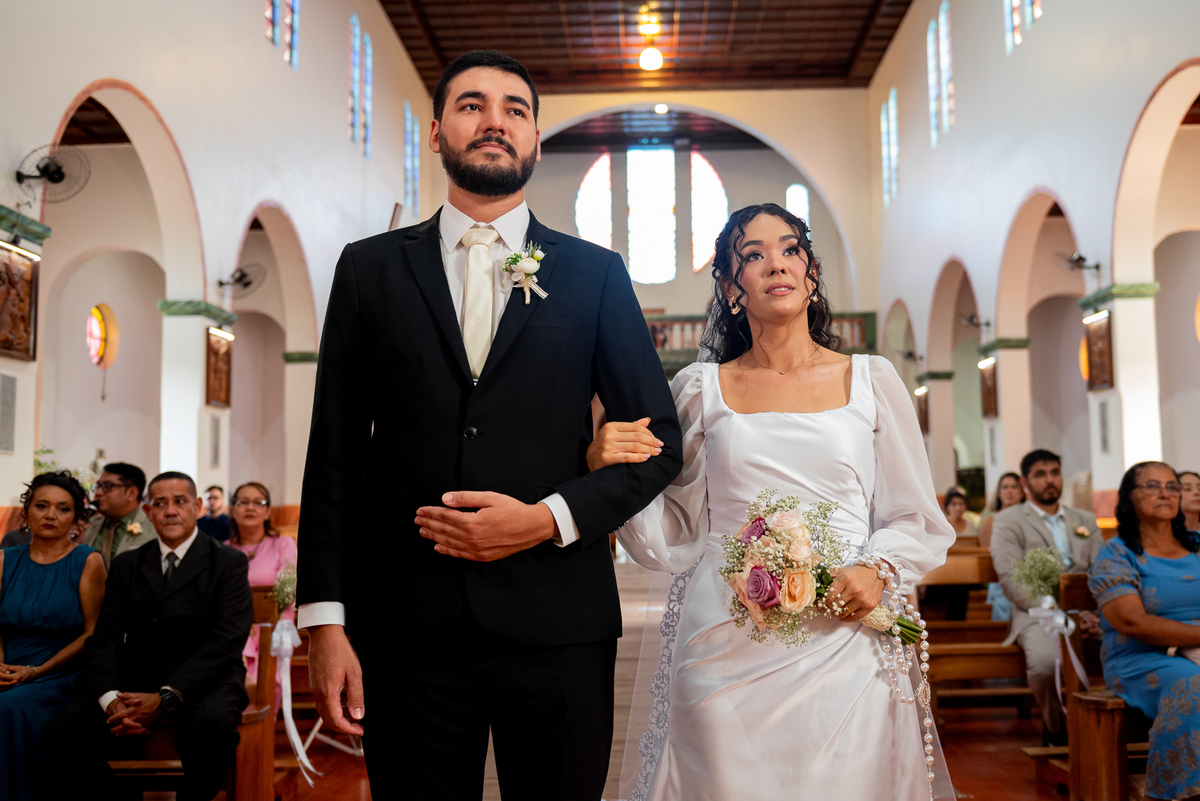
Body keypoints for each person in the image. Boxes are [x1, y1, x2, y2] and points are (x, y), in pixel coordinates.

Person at [296, 50, 682, 801]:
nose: (495, 120)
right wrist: (324, 621)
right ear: (437, 132)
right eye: (472, 105)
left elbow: (658, 443)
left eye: (515, 108)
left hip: (558, 622)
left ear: (536, 140)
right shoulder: (368, 269)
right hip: (406, 627)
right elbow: (334, 455)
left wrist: (547, 519)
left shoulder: (594, 274)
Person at [594, 203, 956, 799]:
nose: (776, 265)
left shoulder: (872, 380)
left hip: (845, 632)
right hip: (725, 637)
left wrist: (878, 567)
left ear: (811, 273)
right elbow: (674, 519)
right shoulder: (700, 388)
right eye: (753, 256)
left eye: (790, 250)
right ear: (732, 286)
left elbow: (912, 512)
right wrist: (609, 462)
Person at [40, 472, 253, 801]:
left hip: (204, 679)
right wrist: (110, 699)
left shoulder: (227, 562)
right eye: (160, 503)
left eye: (180, 502)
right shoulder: (128, 564)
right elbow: (103, 638)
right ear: (148, 510)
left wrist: (167, 697)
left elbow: (227, 641)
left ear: (197, 506)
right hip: (134, 675)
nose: (170, 511)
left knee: (211, 728)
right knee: (61, 732)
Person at [1088, 462, 1200, 801]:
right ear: (1129, 498)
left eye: (1172, 486)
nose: (1165, 493)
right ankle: (1177, 793)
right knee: (1193, 687)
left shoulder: (1197, 545)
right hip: (1142, 657)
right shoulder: (1117, 554)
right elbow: (1131, 622)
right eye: (1152, 486)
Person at [0, 472, 106, 801]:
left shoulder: (87, 561)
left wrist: (36, 671)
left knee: (10, 706)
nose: (50, 515)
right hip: (9, 664)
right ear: (26, 511)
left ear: (76, 518)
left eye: (62, 509)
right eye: (42, 505)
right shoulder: (4, 560)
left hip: (61, 670)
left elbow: (93, 633)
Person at [990, 449, 1104, 746]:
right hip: (1036, 612)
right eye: (1040, 475)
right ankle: (1057, 728)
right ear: (1026, 482)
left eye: (1054, 472)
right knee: (1043, 662)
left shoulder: (1085, 520)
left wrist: (1096, 613)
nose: (1050, 480)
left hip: (1087, 612)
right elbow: (1011, 576)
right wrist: (1052, 609)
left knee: (1134, 646)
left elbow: (1102, 571)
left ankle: (1113, 729)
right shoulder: (1008, 520)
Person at [226, 481, 295, 710]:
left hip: (272, 628)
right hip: (235, 629)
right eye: (242, 502)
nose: (250, 508)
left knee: (267, 683)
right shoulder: (223, 550)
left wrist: (276, 627)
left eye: (258, 502)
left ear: (267, 512)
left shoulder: (283, 545)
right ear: (233, 510)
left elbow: (288, 591)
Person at [80, 462, 156, 567]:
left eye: (107, 486)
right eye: (98, 486)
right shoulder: (88, 526)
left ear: (132, 493)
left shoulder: (153, 529)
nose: (98, 493)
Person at [980, 472, 1025, 622]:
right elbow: (986, 555)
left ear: (1022, 491)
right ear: (999, 492)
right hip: (1000, 579)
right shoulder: (991, 521)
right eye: (1005, 487)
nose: (1009, 491)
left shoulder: (1030, 519)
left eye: (1014, 487)